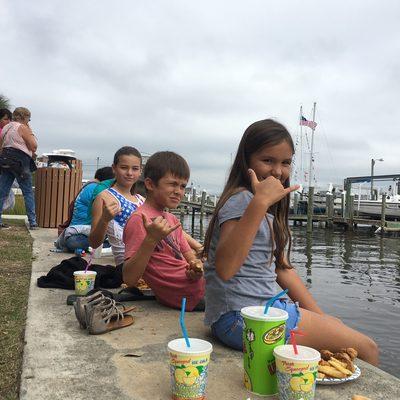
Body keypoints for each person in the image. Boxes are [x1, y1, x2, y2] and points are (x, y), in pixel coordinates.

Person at [203, 119, 379, 365]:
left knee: (336, 327)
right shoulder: (243, 200)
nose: (277, 171)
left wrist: (324, 319)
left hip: (244, 316)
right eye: (268, 160)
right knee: (367, 348)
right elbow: (225, 268)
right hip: (243, 320)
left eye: (285, 162)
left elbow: (281, 268)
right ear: (246, 161)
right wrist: (259, 203)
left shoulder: (261, 206)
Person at [122, 151, 205, 311]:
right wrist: (151, 239)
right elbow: (130, 278)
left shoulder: (172, 220)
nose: (179, 191)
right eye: (173, 184)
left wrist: (196, 268)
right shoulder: (139, 219)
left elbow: (191, 259)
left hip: (193, 285)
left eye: (182, 186)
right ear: (150, 184)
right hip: (183, 296)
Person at [89, 146, 145, 267]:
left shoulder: (142, 200)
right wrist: (104, 220)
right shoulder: (103, 197)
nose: (129, 173)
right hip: (128, 265)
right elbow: (94, 243)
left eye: (135, 169)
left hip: (148, 259)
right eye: (124, 168)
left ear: (140, 171)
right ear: (114, 168)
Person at [55, 166, 115, 252]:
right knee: (73, 242)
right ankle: (106, 244)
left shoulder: (89, 186)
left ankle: (104, 244)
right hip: (83, 230)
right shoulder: (97, 189)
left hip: (80, 229)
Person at [0, 107, 38, 229]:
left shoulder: (6, 127)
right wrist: (29, 129)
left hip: (6, 161)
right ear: (24, 117)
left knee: (2, 192)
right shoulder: (22, 127)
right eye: (29, 119)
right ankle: (32, 221)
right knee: (27, 192)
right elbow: (34, 146)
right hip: (20, 162)